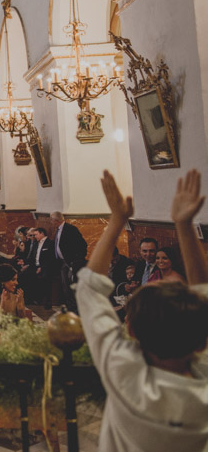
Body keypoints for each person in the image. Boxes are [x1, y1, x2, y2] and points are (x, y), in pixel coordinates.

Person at [78, 169, 208, 452]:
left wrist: (116, 220)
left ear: (132, 330)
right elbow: (204, 295)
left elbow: (88, 288)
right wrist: (184, 225)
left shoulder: (124, 372)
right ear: (201, 342)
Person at [50, 211, 88, 311]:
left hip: (72, 263)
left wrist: (76, 260)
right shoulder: (58, 230)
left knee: (72, 285)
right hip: (62, 263)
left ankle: (76, 309)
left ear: (56, 220)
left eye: (52, 220)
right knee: (65, 286)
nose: (51, 222)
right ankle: (70, 307)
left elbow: (82, 245)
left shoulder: (70, 229)